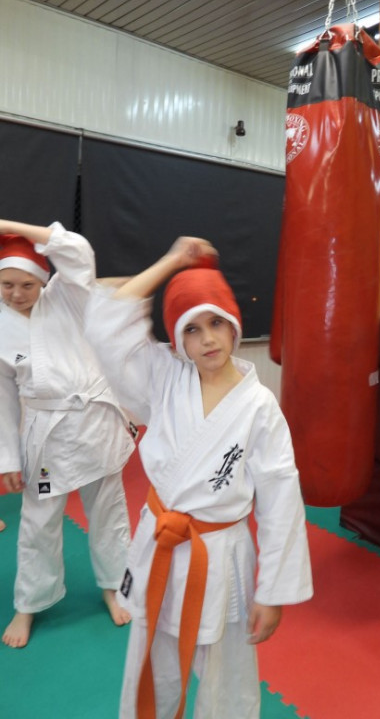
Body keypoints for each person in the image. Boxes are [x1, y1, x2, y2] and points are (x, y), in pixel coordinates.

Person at [84, 236, 313, 719]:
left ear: (234, 327)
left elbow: (281, 500)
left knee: (227, 677)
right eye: (192, 328)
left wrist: (273, 591)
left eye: (216, 323)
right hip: (160, 543)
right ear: (177, 339)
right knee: (150, 664)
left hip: (220, 554)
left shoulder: (259, 406)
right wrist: (173, 260)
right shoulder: (164, 377)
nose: (207, 338)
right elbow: (106, 320)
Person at [0, 220, 135, 649]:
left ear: (43, 280)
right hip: (46, 435)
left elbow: (77, 251)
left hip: (94, 424)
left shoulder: (67, 296)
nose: (17, 294)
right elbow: (3, 401)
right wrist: (7, 460)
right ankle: (29, 603)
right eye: (6, 285)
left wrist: (6, 226)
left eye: (27, 284)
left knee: (109, 514)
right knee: (38, 523)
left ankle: (114, 587)